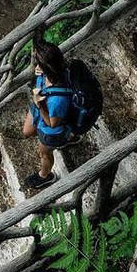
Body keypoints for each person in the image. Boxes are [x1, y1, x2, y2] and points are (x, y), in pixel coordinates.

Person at [21, 33, 103, 190]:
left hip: (51, 127)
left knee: (44, 153)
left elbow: (52, 124)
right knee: (26, 132)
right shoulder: (55, 69)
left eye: (36, 60)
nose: (34, 61)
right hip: (45, 106)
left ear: (47, 67)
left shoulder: (58, 99)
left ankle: (45, 176)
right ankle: (70, 138)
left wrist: (40, 105)